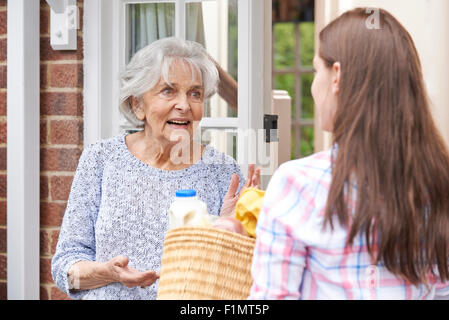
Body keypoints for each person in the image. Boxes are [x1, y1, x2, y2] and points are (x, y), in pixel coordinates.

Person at [248, 8, 449, 300]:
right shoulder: (437, 182)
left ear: (337, 76)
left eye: (317, 70)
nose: (313, 86)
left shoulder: (298, 184)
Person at [51, 37, 261, 300]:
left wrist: (229, 228)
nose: (184, 105)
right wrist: (110, 273)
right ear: (138, 105)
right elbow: (65, 268)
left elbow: (243, 275)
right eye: (168, 91)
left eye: (194, 93)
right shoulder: (101, 159)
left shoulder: (222, 171)